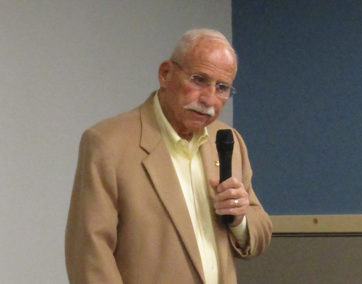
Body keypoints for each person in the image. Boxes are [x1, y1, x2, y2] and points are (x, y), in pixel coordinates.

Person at [65, 28, 272, 284]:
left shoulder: (228, 140)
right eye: (198, 80)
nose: (209, 98)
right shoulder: (108, 143)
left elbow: (260, 231)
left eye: (222, 87)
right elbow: (90, 258)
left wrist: (239, 218)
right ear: (166, 74)